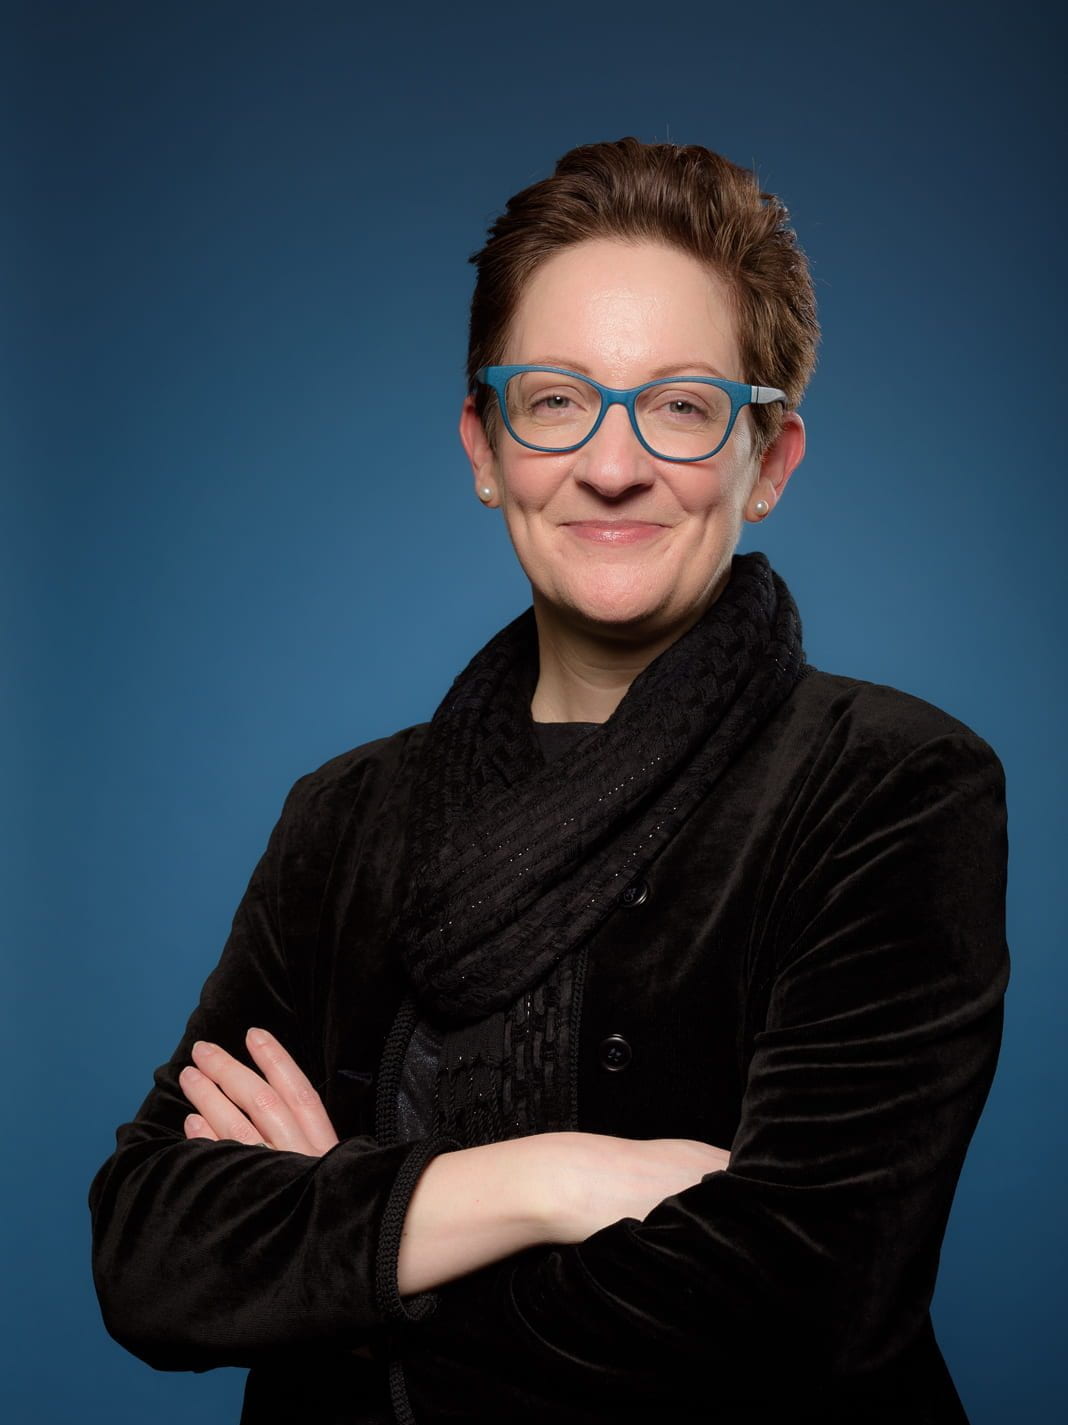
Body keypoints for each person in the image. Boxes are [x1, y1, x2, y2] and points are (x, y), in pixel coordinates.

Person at [89, 138, 1009, 1425]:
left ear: (769, 461)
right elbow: (151, 1252)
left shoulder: (890, 786)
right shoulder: (343, 817)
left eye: (681, 405)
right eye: (557, 398)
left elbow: (805, 1307)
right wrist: (545, 1184)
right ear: (485, 446)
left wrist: (344, 1246)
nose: (612, 464)